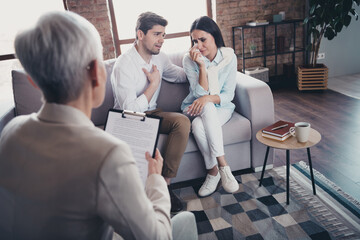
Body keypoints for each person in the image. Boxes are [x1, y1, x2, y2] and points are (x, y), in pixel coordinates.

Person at [0, 11, 197, 240]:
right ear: (97, 72)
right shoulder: (108, 154)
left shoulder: (10, 133)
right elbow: (157, 237)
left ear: (33, 81)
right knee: (186, 222)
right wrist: (155, 180)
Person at [111, 12, 191, 213]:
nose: (162, 40)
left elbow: (180, 76)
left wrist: (196, 62)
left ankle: (164, 185)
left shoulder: (161, 58)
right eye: (157, 34)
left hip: (153, 114)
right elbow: (129, 110)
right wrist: (153, 85)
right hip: (127, 119)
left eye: (163, 35)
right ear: (140, 34)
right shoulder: (124, 65)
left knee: (182, 122)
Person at [181, 16, 239, 197]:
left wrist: (208, 99)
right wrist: (202, 67)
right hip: (196, 106)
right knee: (205, 105)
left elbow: (228, 94)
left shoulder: (229, 57)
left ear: (214, 36)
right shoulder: (189, 59)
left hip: (222, 107)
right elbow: (199, 95)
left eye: (203, 39)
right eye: (194, 41)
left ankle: (212, 173)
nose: (198, 45)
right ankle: (224, 166)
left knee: (198, 125)